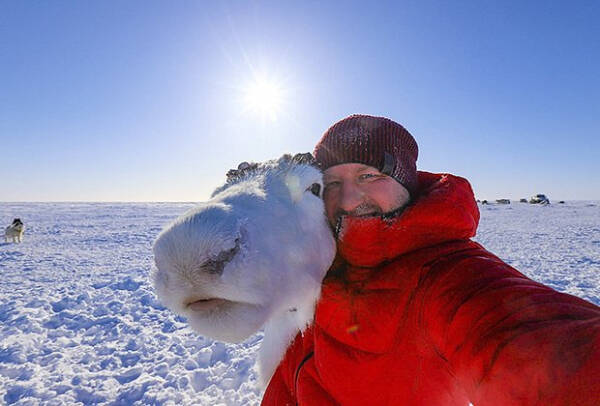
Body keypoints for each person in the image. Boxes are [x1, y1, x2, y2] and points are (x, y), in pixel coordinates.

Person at [261, 114, 600, 405]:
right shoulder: (317, 249)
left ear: (405, 182)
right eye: (333, 182)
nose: (348, 200)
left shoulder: (447, 273)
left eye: (369, 175)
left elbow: (545, 346)